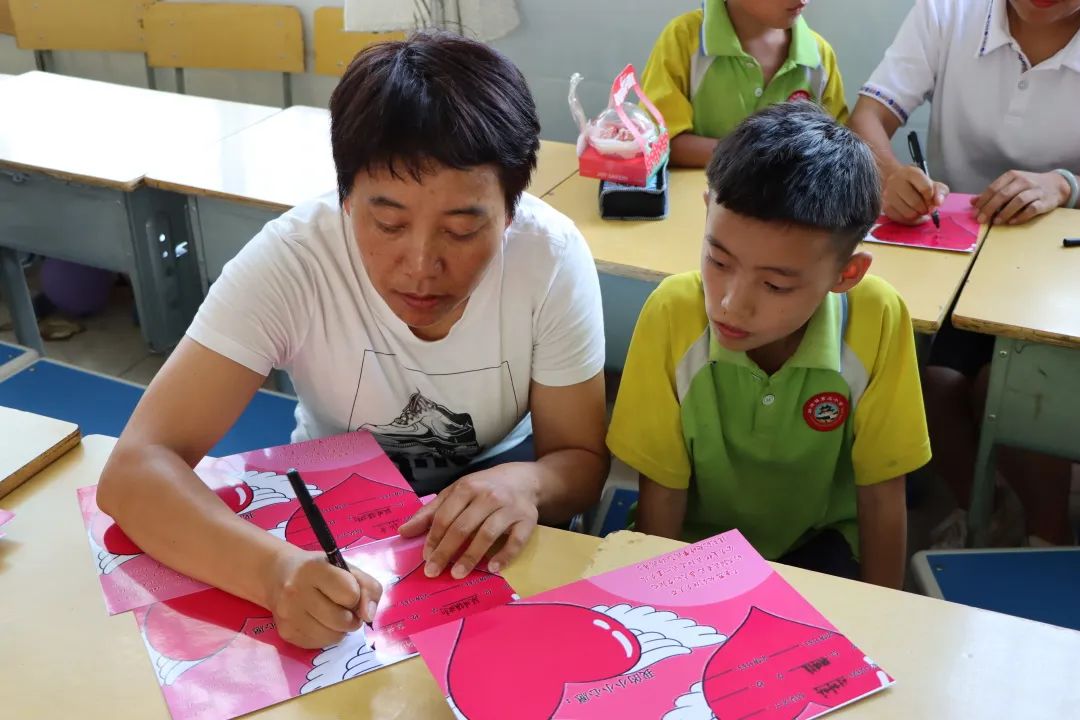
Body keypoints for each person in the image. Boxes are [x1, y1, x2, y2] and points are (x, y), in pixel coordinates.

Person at [97, 33, 609, 649]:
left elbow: (580, 460)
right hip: (332, 507)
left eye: (461, 229)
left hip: (497, 492)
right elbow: (134, 471)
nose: (420, 266)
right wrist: (273, 573)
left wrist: (528, 484)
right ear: (344, 198)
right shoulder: (294, 260)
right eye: (387, 223)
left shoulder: (548, 259)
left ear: (511, 210)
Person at [608, 104, 930, 589]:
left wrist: (880, 612)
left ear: (846, 275)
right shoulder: (673, 313)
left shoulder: (875, 318)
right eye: (718, 261)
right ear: (707, 210)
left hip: (820, 542)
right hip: (698, 544)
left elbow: (883, 493)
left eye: (776, 286)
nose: (731, 305)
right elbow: (663, 495)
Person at [849, 0, 1080, 547]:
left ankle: (1046, 534)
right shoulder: (948, 12)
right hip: (959, 254)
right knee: (937, 385)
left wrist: (1064, 184)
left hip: (1057, 268)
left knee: (1020, 387)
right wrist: (890, 174)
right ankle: (982, 507)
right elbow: (866, 119)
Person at [640, 0, 848, 167]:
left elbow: (837, 149)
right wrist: (763, 157)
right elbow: (657, 143)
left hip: (789, 205)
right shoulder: (683, 39)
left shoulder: (820, 55)